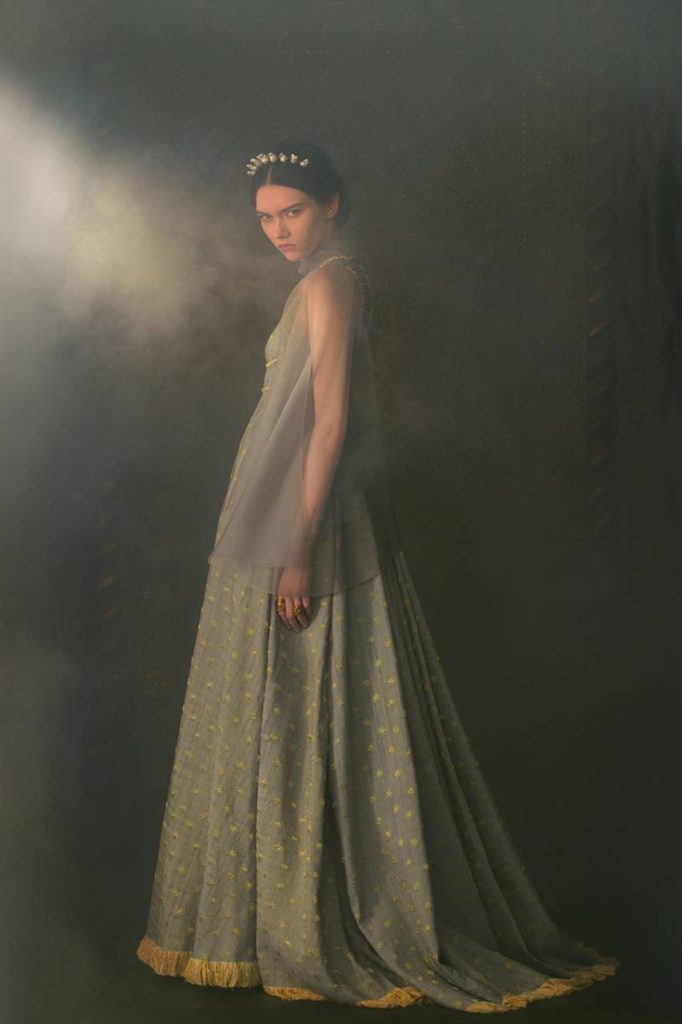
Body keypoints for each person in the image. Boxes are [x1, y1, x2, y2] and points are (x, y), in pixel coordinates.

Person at [135, 138, 619, 1010]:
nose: (279, 230)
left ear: (331, 205)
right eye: (265, 218)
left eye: (293, 212)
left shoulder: (331, 282)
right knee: (277, 705)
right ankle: (268, 913)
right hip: (276, 509)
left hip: (306, 519)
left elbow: (329, 425)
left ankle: (302, 916)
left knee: (302, 703)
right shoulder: (324, 281)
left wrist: (298, 548)